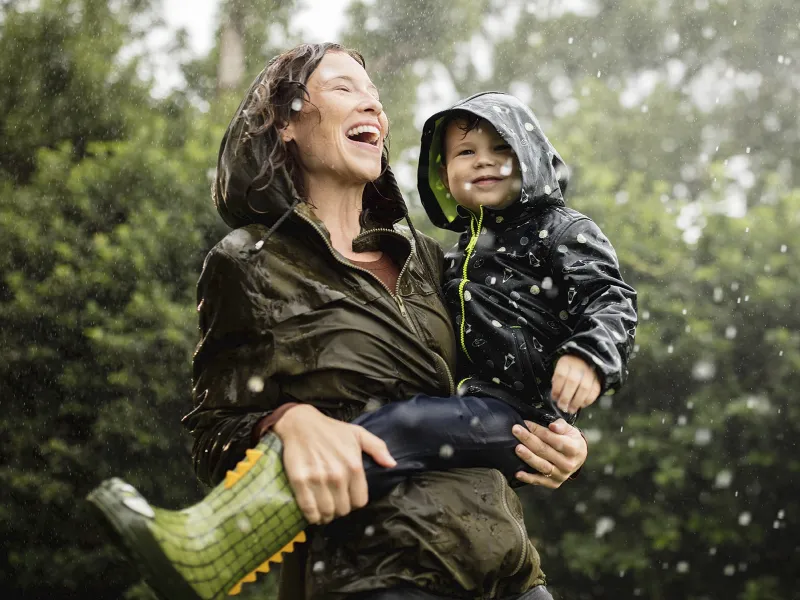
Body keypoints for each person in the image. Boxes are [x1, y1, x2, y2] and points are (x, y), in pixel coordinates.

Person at [87, 43, 592, 600]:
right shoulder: (250, 263)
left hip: (507, 571)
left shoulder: (430, 259)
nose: (373, 108)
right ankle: (207, 546)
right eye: (344, 89)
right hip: (371, 575)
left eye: (376, 99)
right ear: (285, 122)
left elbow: (501, 376)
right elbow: (212, 433)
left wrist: (559, 435)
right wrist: (284, 420)